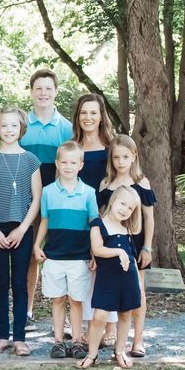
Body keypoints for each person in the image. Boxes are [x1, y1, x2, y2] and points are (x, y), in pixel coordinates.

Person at [0, 107, 41, 357]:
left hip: (22, 227)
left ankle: (20, 337)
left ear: (21, 128)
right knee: (1, 282)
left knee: (19, 282)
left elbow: (36, 198)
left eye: (13, 125)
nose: (9, 130)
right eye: (4, 126)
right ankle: (2, 335)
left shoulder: (30, 160)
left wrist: (23, 228)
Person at [33, 141, 99, 360]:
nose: (68, 166)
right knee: (58, 299)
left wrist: (94, 252)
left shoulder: (88, 193)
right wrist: (37, 244)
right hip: (54, 255)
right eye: (64, 162)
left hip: (79, 256)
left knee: (77, 300)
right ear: (57, 164)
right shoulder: (48, 191)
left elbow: (94, 224)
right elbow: (44, 220)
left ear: (81, 165)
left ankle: (78, 341)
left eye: (73, 162)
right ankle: (59, 342)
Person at [19, 69, 73, 330]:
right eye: (38, 88)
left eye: (48, 88)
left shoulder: (66, 128)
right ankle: (27, 310)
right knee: (30, 255)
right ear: (31, 91)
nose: (43, 93)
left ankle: (60, 317)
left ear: (56, 91)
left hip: (58, 202)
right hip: (25, 201)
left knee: (60, 255)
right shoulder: (20, 124)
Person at [97, 134, 156, 358]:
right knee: (112, 287)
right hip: (110, 244)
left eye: (125, 157)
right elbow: (101, 217)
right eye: (116, 157)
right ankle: (111, 333)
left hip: (135, 243)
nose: (120, 162)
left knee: (137, 291)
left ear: (134, 157)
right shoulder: (105, 184)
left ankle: (138, 340)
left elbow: (149, 218)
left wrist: (147, 247)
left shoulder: (141, 183)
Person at [78, 186, 143, 370]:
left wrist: (137, 280)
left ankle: (120, 351)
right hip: (107, 278)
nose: (125, 210)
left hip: (128, 277)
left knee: (125, 314)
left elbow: (132, 257)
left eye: (130, 208)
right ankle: (92, 354)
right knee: (100, 316)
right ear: (113, 201)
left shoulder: (127, 228)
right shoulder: (98, 225)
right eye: (122, 204)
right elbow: (98, 249)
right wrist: (119, 252)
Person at [73, 93, 117, 345]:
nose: (88, 118)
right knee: (85, 273)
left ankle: (109, 328)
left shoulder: (112, 148)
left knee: (106, 272)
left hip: (106, 217)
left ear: (101, 116)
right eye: (83, 113)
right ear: (77, 118)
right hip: (78, 217)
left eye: (93, 113)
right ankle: (90, 326)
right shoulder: (73, 147)